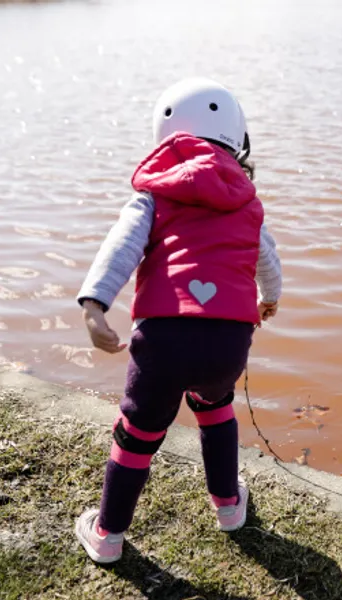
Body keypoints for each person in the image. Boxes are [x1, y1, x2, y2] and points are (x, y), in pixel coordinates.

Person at [73, 77, 282, 564]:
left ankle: (107, 535)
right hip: (228, 340)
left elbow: (121, 246)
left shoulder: (154, 195)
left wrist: (94, 303)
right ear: (239, 139)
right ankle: (229, 507)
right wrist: (270, 299)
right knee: (215, 406)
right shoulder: (247, 203)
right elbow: (267, 260)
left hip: (163, 336)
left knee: (139, 433)